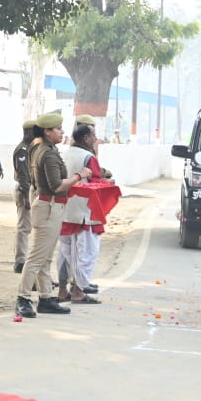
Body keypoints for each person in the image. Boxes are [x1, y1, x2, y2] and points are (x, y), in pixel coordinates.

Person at [16, 112, 93, 319]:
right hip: (49, 206)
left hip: (50, 206)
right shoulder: (47, 153)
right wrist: (79, 175)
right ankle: (23, 298)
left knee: (45, 257)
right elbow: (57, 185)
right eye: (58, 129)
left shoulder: (43, 148)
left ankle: (45, 298)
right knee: (36, 258)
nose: (62, 132)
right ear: (47, 131)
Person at [57, 117, 113, 304]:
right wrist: (109, 183)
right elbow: (95, 183)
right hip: (85, 212)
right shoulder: (88, 158)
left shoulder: (63, 153)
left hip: (64, 210)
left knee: (64, 253)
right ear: (86, 138)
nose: (95, 139)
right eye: (93, 135)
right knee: (86, 253)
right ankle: (78, 291)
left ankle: (63, 290)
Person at [11, 119, 37, 276]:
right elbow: (23, 175)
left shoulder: (31, 148)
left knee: (26, 226)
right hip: (24, 190)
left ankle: (22, 258)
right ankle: (20, 261)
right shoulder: (23, 150)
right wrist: (26, 196)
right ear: (28, 132)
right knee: (23, 227)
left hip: (29, 189)